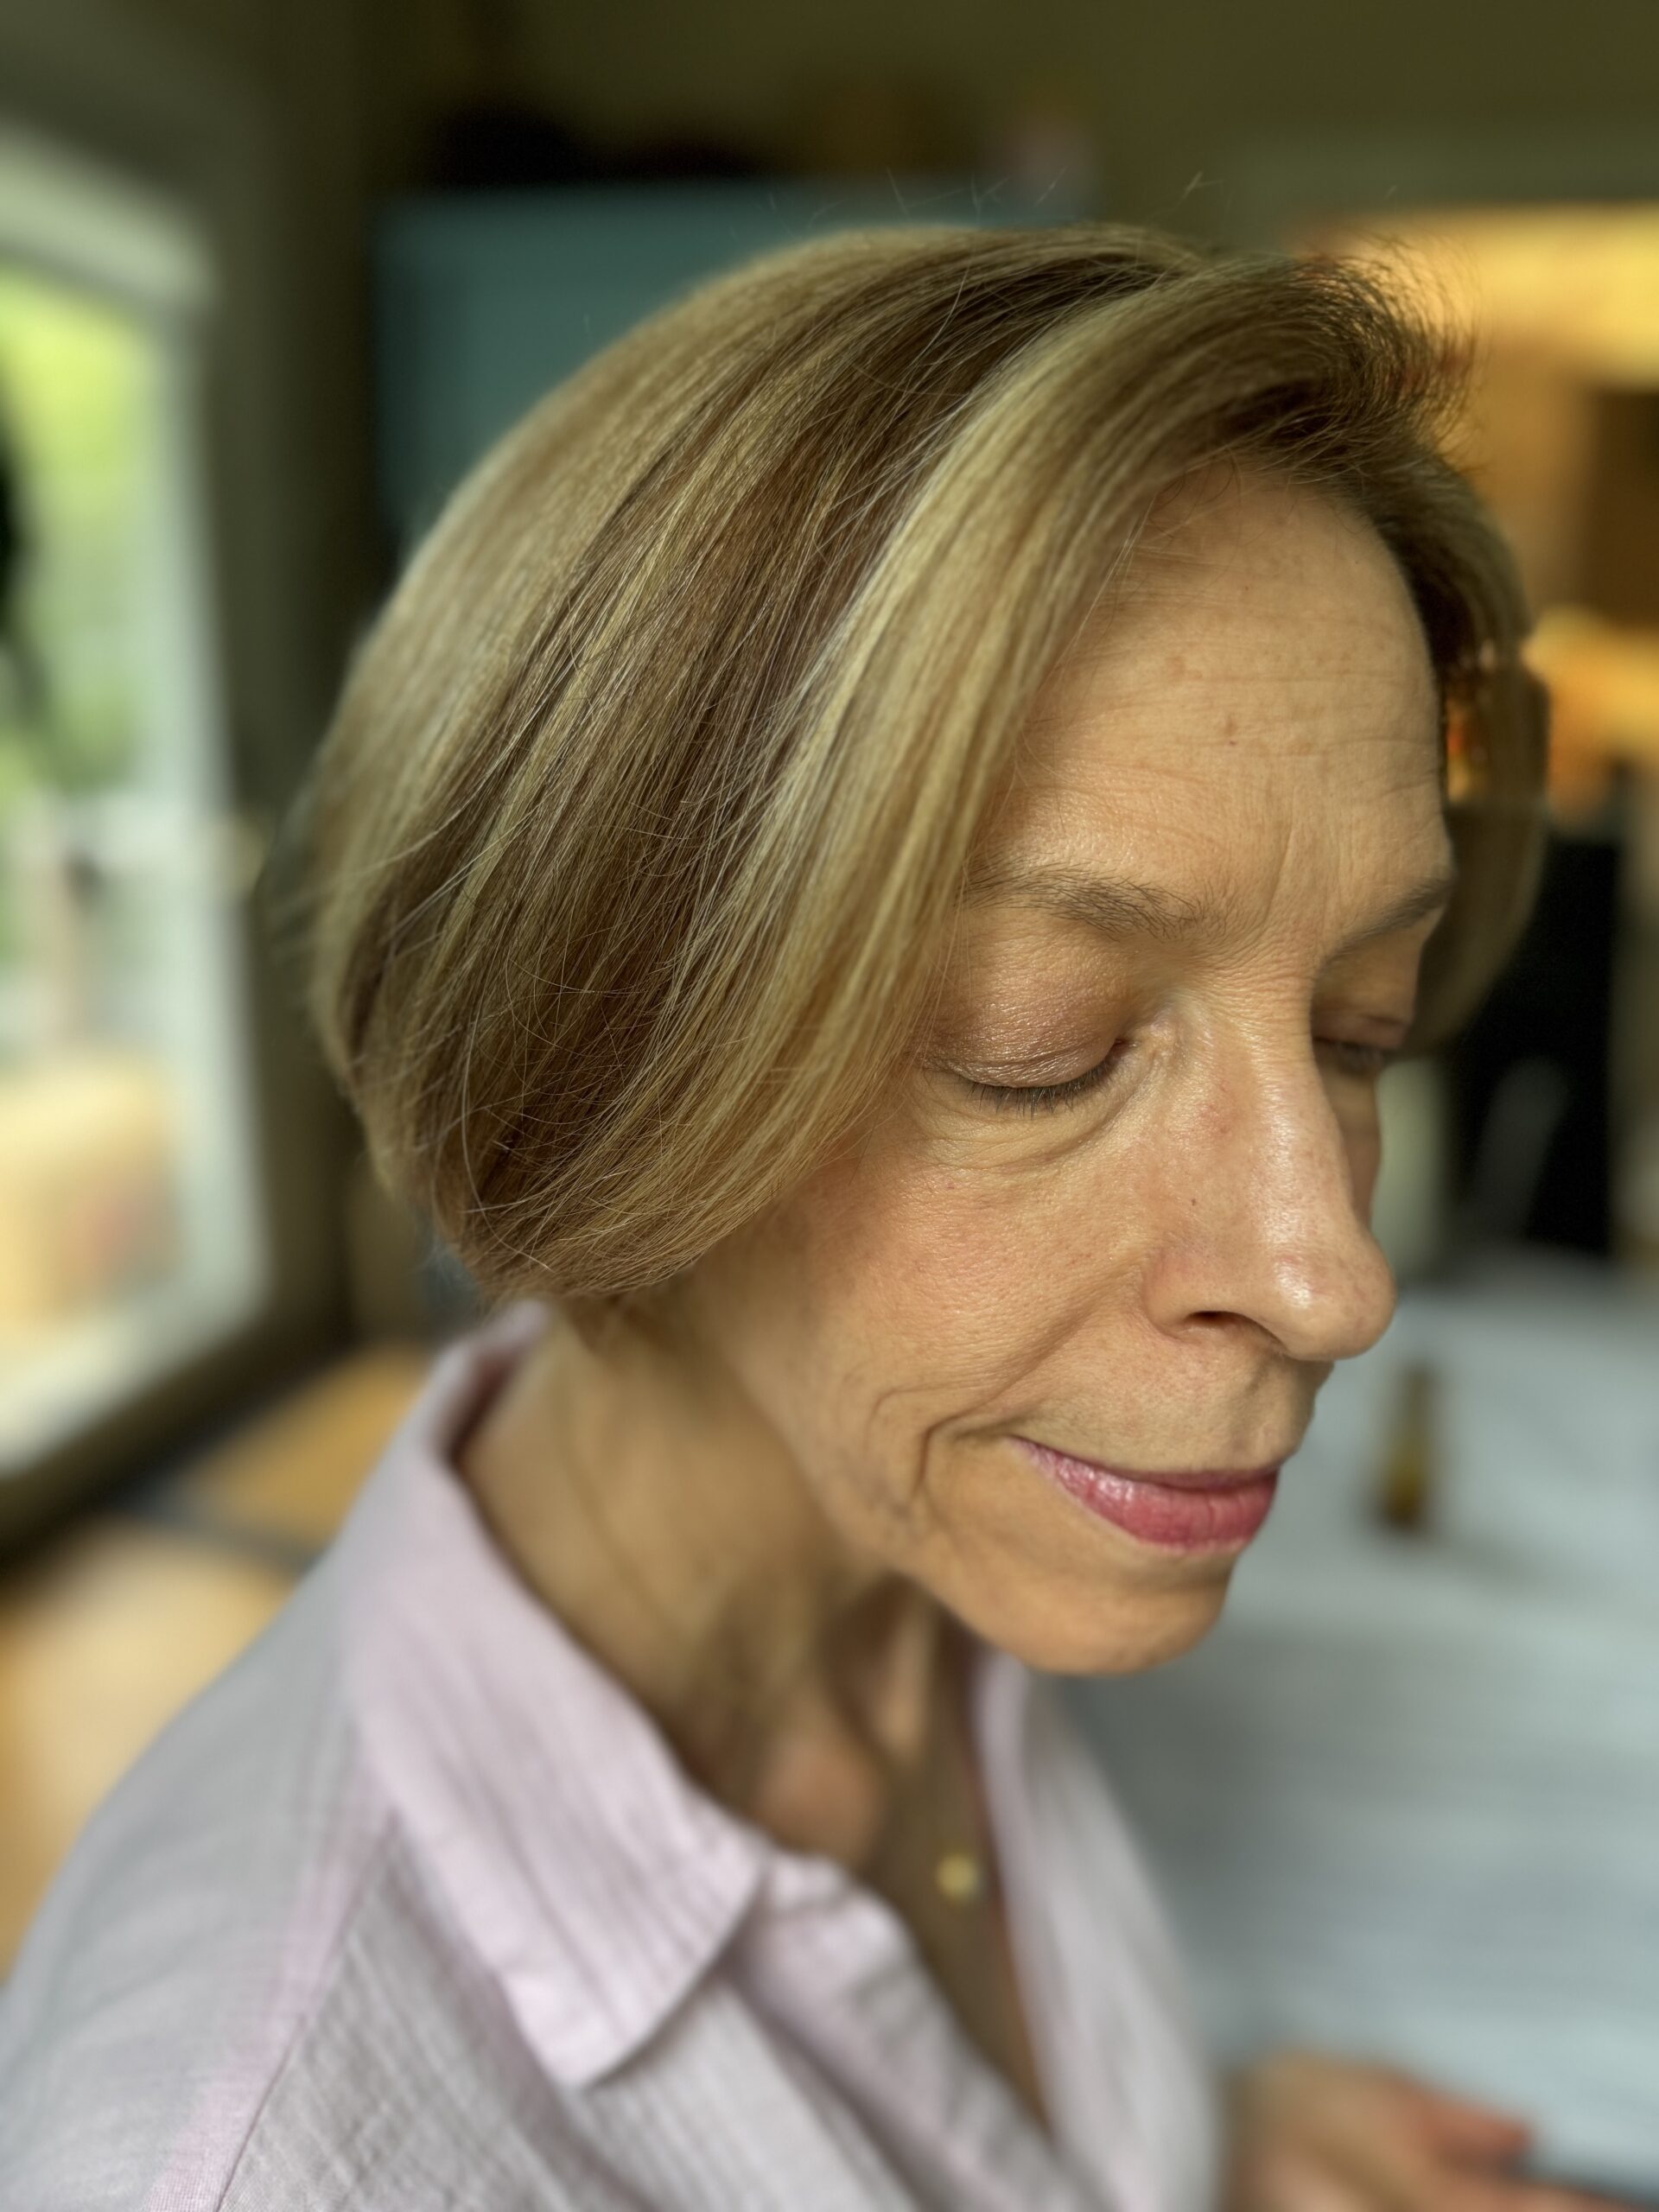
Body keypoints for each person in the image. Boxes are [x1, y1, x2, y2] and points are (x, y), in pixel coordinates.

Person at [1, 219, 1616, 2211]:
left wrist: (1187, 2151)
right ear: (596, 1045)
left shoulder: (935, 1546)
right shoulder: (250, 2152)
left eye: (1359, 1023)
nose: (1331, 1275)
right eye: (1047, 1047)